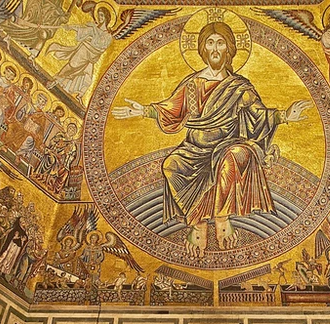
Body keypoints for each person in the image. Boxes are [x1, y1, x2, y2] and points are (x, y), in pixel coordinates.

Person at [113, 21, 311, 258]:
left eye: (220, 43)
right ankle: (197, 221)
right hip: (194, 148)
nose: (215, 49)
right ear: (203, 49)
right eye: (210, 43)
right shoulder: (193, 84)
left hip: (228, 144)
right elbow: (173, 109)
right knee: (170, 165)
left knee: (236, 155)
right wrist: (144, 111)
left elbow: (258, 114)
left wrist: (285, 116)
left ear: (229, 48)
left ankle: (221, 217)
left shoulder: (239, 87)